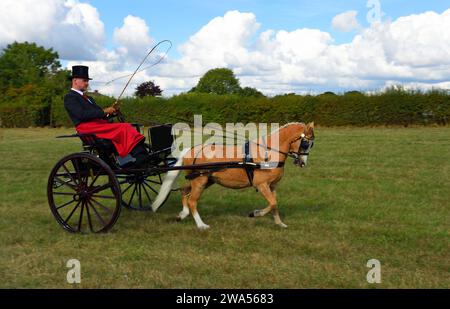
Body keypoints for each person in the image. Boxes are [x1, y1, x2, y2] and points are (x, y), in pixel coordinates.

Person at [64, 65, 148, 166]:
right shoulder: (70, 97)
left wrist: (111, 112)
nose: (87, 83)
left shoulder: (89, 98)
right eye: (84, 80)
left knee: (127, 125)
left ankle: (136, 155)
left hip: (98, 125)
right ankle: (140, 156)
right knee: (124, 127)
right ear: (75, 80)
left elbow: (100, 114)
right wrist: (104, 111)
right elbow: (81, 115)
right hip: (86, 128)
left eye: (87, 81)